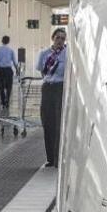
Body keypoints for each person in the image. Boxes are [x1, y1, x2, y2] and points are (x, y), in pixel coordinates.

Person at [36, 28, 67, 168]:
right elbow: (42, 71)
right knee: (47, 122)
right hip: (47, 87)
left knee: (58, 122)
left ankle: (57, 157)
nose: (60, 41)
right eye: (58, 38)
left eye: (63, 38)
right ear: (53, 38)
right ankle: (50, 158)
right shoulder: (44, 54)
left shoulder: (67, 54)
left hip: (60, 88)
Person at [0, 35, 19, 109]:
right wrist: (17, 70)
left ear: (2, 41)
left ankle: (3, 102)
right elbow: (15, 62)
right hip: (8, 70)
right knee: (9, 87)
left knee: (1, 87)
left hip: (0, 70)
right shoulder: (11, 50)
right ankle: (7, 101)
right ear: (8, 41)